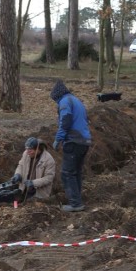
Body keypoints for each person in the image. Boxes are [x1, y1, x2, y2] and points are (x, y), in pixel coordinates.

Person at [50, 79, 92, 212]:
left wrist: (58, 139)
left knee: (67, 173)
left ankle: (75, 203)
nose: (56, 103)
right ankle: (77, 199)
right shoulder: (75, 100)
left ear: (57, 96)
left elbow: (65, 122)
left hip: (74, 141)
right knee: (76, 172)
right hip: (84, 141)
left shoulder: (64, 102)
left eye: (55, 100)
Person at [0, 137, 56, 203]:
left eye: (30, 150)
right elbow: (20, 166)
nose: (27, 152)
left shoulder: (48, 160)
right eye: (26, 149)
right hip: (24, 188)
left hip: (38, 192)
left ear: (38, 149)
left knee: (30, 204)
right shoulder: (26, 154)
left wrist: (34, 183)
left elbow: (49, 178)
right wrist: (18, 174)